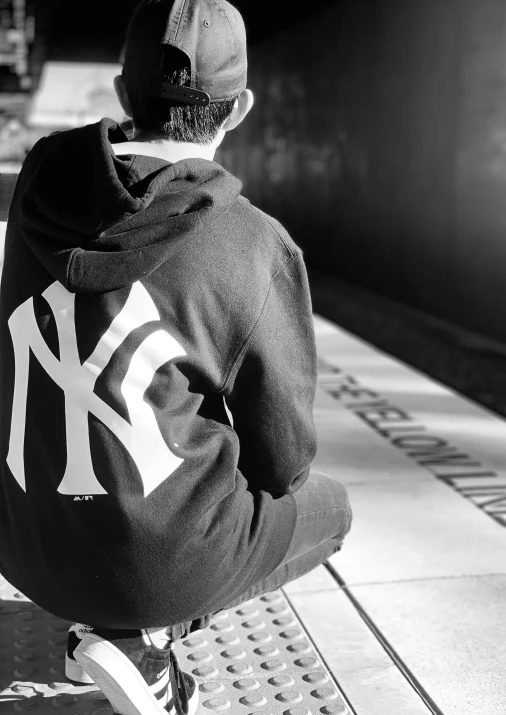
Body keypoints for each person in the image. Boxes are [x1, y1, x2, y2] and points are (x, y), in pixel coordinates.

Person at [0, 1, 352, 713]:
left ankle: (114, 615)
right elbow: (284, 463)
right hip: (154, 564)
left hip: (23, 547)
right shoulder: (255, 242)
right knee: (331, 509)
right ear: (242, 106)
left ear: (124, 94)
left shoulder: (37, 195)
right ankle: (141, 640)